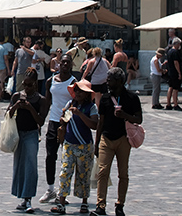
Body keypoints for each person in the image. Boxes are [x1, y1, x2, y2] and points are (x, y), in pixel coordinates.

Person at [91, 67, 142, 216]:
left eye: (110, 80)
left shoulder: (132, 98)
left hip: (123, 139)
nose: (107, 82)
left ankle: (120, 204)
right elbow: (100, 122)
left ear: (119, 81)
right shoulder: (105, 98)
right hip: (106, 139)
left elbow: (139, 119)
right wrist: (97, 142)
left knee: (123, 174)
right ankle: (100, 205)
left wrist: (125, 115)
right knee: (102, 172)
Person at [51, 79, 99, 215]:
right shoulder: (70, 104)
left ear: (86, 94)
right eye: (76, 90)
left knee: (83, 174)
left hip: (84, 146)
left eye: (81, 91)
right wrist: (63, 119)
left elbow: (94, 124)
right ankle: (61, 202)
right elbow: (65, 119)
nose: (77, 93)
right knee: (65, 172)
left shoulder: (91, 108)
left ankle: (84, 202)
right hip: (69, 144)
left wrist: (80, 114)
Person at [7, 68, 46, 214]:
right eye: (24, 84)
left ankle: (28, 198)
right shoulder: (17, 96)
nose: (26, 88)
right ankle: (22, 196)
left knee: (31, 165)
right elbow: (8, 115)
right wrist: (16, 105)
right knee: (19, 165)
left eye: (29, 85)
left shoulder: (40, 100)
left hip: (31, 134)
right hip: (18, 133)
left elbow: (41, 121)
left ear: (35, 84)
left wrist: (30, 108)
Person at [39, 54, 76, 205]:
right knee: (50, 156)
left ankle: (63, 192)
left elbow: (76, 102)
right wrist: (41, 121)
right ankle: (50, 188)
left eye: (68, 62)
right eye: (63, 62)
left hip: (68, 122)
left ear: (71, 65)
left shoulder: (74, 82)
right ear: (59, 64)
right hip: (54, 122)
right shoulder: (51, 81)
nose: (65, 65)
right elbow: (47, 102)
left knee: (66, 158)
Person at [165, 37, 182, 111]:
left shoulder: (169, 51)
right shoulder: (175, 52)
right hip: (174, 72)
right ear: (176, 44)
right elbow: (176, 63)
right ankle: (175, 104)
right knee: (175, 88)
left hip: (170, 72)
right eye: (179, 44)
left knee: (171, 87)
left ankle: (168, 104)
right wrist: (179, 73)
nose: (179, 45)